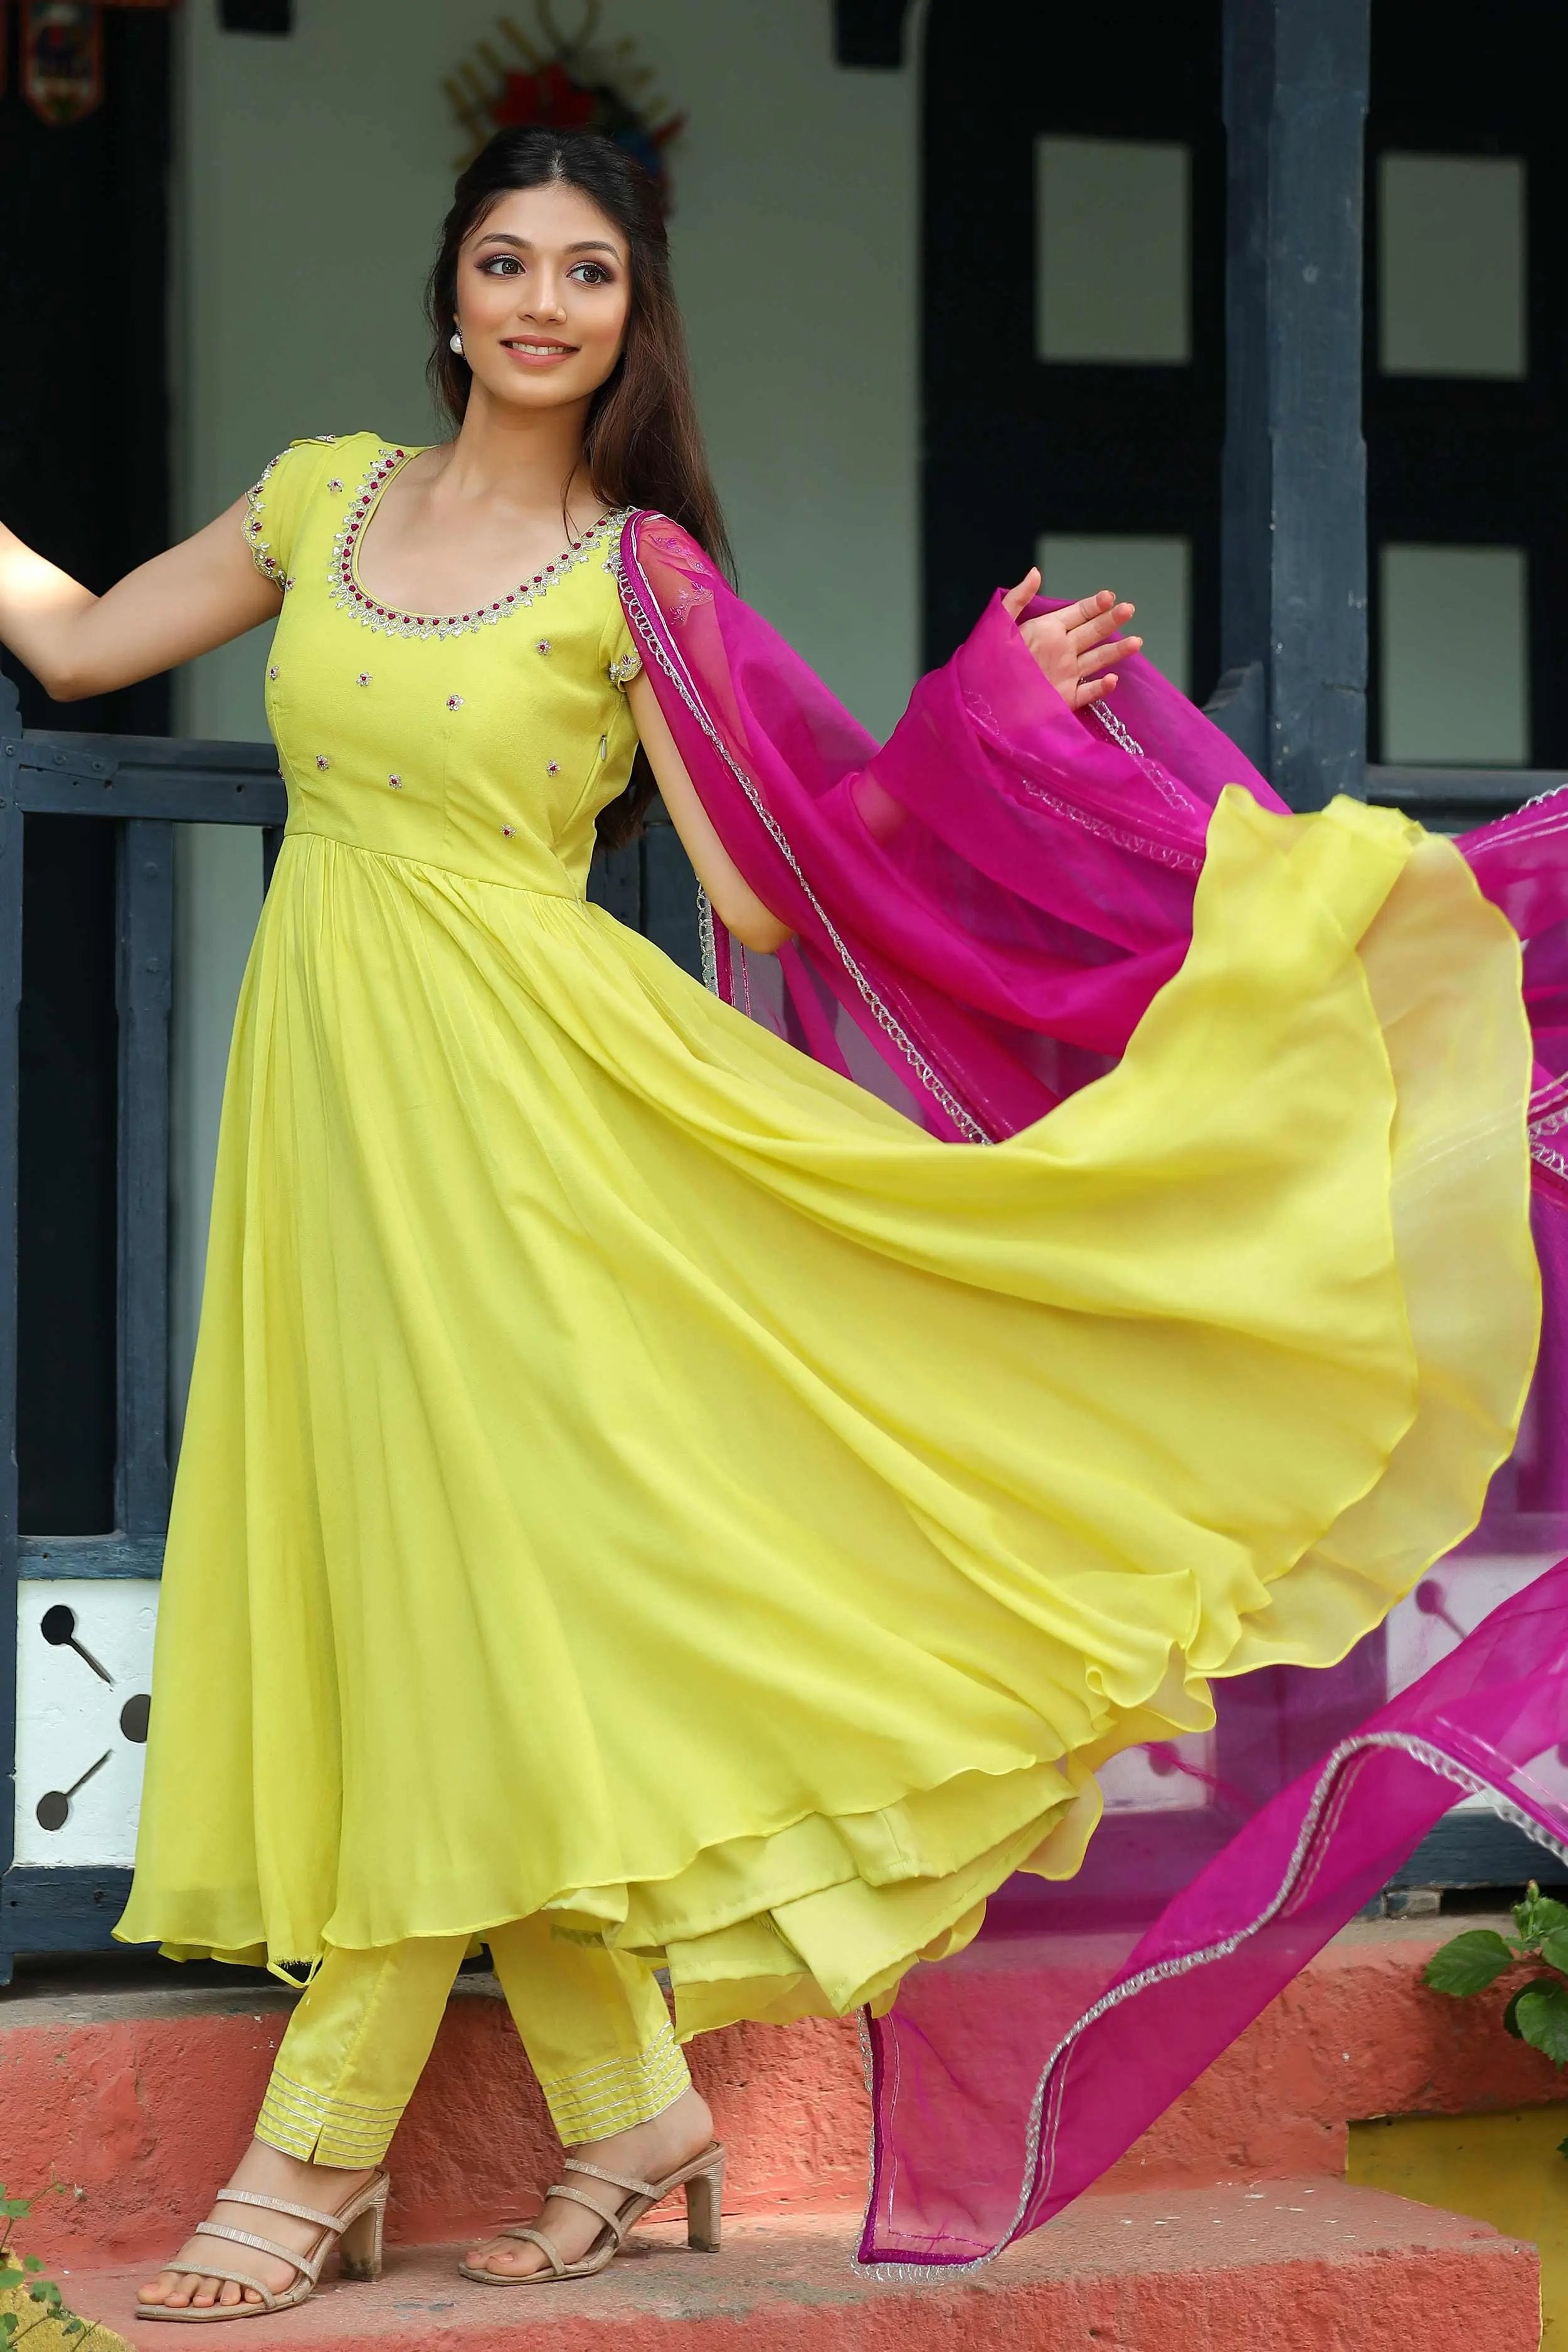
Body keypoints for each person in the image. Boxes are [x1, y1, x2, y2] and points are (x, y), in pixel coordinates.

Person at [0, 128, 1537, 2318]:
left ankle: (305, 2162)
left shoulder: (640, 579)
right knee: (439, 1600)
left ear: (632, 321)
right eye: (509, 260)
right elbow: (72, 644)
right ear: (450, 293)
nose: (542, 300)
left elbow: (763, 883)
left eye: (591, 272)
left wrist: (998, 719)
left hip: (543, 1129)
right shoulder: (317, 498)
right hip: (332, 1115)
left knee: (460, 1601)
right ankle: (631, 2115)